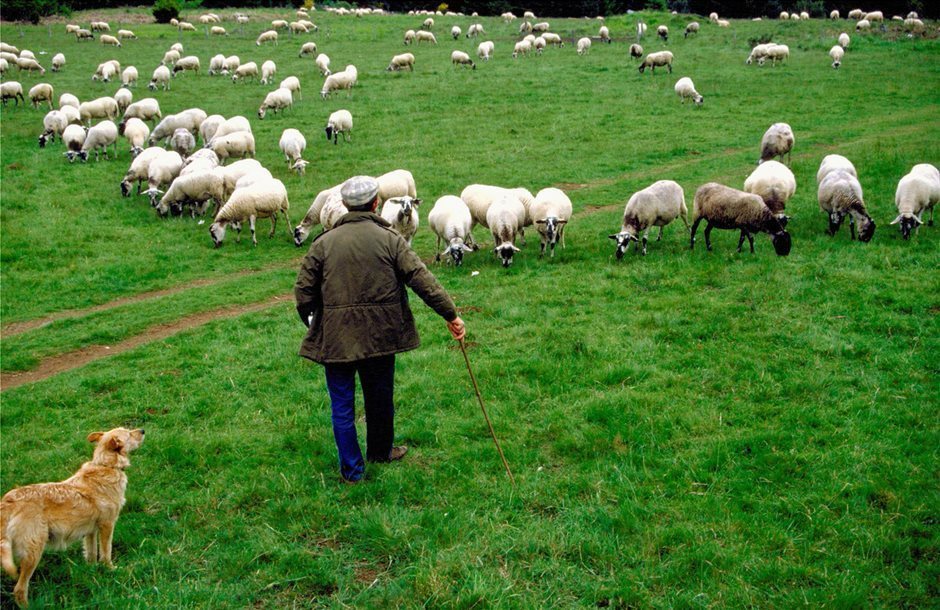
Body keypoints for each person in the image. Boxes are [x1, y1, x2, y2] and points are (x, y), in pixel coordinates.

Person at [294, 176, 466, 483]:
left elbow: (303, 291)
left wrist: (311, 318)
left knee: (342, 404)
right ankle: (380, 451)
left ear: (345, 205)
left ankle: (353, 470)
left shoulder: (323, 243)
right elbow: (421, 278)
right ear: (375, 204)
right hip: (381, 333)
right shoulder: (390, 240)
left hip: (337, 336)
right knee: (379, 394)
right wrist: (450, 314)